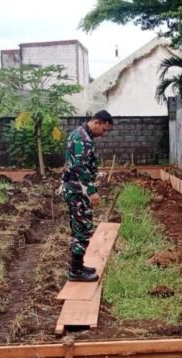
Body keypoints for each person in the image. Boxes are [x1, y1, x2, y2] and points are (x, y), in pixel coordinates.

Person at [62, 110, 113, 282]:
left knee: (80, 228)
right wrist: (91, 190)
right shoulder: (83, 139)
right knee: (83, 230)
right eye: (104, 129)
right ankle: (76, 272)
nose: (104, 134)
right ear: (97, 122)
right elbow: (79, 167)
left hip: (75, 188)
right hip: (78, 190)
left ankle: (78, 266)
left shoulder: (78, 133)